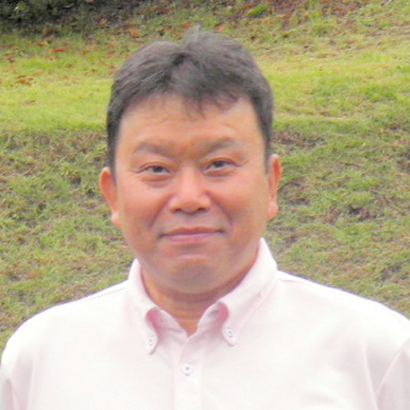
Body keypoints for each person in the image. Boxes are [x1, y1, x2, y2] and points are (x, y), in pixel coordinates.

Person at [1, 30, 410, 410]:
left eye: (219, 164)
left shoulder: (379, 355)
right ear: (113, 194)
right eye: (156, 169)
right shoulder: (41, 360)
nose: (189, 198)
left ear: (270, 183)